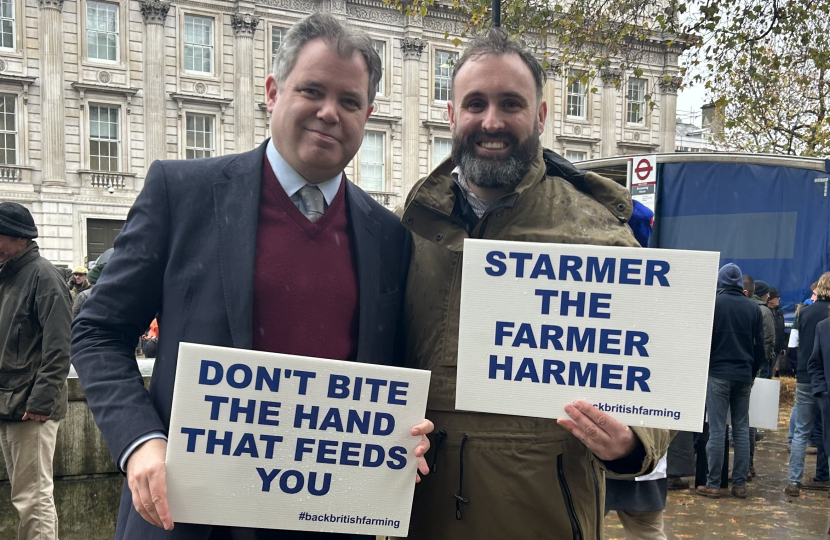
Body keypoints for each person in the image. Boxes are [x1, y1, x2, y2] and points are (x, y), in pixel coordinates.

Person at [71, 13, 432, 540]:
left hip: (326, 522)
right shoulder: (182, 193)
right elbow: (98, 331)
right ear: (272, 92)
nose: (330, 113)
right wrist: (140, 440)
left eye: (350, 101)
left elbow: (390, 374)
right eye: (312, 90)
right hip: (187, 517)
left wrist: (408, 433)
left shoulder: (389, 237)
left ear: (369, 114)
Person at [400, 29, 671, 539]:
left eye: (511, 103)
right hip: (425, 511)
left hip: (546, 513)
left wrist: (633, 441)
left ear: (541, 117)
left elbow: (655, 378)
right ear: (451, 115)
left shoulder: (601, 232)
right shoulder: (406, 230)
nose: (492, 121)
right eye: (475, 103)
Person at [0, 202, 73, 540]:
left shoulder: (43, 276)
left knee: (33, 498)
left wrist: (40, 403)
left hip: (30, 408)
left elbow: (59, 347)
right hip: (14, 404)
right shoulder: (12, 275)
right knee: (27, 496)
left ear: (18, 239)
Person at [697, 264, 764, 499]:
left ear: (720, 283)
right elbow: (759, 348)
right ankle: (739, 485)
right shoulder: (753, 308)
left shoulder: (713, 305)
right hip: (744, 375)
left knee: (717, 431)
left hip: (718, 374)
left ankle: (714, 484)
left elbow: (703, 342)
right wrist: (752, 373)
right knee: (742, 430)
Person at [786, 272, 830, 496]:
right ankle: (823, 476)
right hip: (827, 382)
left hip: (805, 378)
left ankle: (794, 481)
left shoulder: (802, 313)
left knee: (801, 432)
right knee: (826, 432)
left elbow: (792, 347)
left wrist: (798, 368)